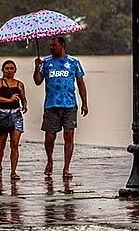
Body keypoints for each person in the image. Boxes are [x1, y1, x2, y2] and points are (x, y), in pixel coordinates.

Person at [33, 36, 88, 179]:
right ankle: (50, 159)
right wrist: (36, 67)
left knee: (69, 136)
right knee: (50, 137)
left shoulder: (74, 62)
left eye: (54, 45)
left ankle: (66, 167)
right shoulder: (45, 62)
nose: (51, 48)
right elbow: (38, 81)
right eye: (50, 46)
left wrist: (85, 103)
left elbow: (81, 84)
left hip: (69, 105)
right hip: (51, 105)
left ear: (62, 45)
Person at [0, 60, 28, 180]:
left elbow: (23, 98)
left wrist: (25, 105)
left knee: (15, 144)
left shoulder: (19, 84)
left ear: (15, 70)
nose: (9, 71)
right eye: (7, 68)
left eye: (11, 68)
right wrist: (9, 100)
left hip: (16, 115)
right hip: (2, 114)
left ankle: (13, 171)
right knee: (0, 146)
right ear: (3, 70)